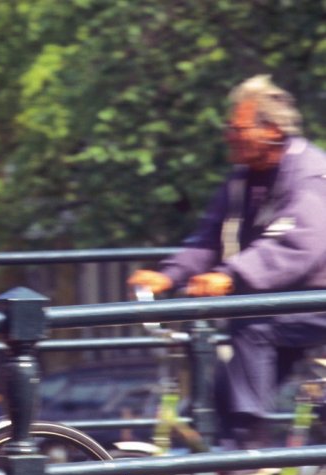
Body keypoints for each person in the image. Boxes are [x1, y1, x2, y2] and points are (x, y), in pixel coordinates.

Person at [128, 74, 326, 452]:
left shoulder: (310, 174)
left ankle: (249, 448)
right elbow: (209, 238)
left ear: (270, 130)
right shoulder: (242, 180)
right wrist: (168, 276)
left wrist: (231, 277)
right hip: (287, 302)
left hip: (315, 300)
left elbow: (298, 242)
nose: (227, 135)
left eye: (236, 128)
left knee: (252, 328)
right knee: (225, 387)